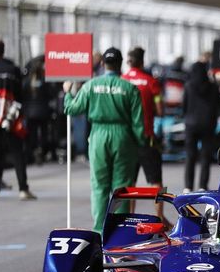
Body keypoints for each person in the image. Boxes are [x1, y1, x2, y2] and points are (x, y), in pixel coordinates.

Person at [63, 48, 145, 234]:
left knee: (99, 186)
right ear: (121, 64)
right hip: (123, 138)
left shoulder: (91, 86)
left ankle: (100, 231)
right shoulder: (130, 89)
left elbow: (73, 109)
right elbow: (138, 123)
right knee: (121, 188)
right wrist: (140, 144)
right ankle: (120, 232)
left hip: (98, 135)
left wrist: (68, 93)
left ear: (102, 64)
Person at [0, 37, 36, 201]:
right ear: (4, 51)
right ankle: (23, 189)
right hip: (11, 116)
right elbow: (20, 94)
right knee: (17, 152)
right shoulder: (14, 70)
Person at [122, 48, 165, 199]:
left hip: (127, 139)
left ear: (128, 62)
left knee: (129, 183)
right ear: (142, 62)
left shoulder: (122, 80)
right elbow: (160, 110)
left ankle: (129, 217)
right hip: (147, 138)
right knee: (156, 182)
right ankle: (159, 218)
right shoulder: (151, 82)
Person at [182, 60, 220, 192]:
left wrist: (186, 117)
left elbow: (184, 106)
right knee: (205, 157)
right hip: (208, 125)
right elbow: (219, 104)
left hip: (191, 125)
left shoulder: (188, 86)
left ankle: (188, 186)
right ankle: (202, 186)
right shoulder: (213, 87)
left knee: (190, 156)